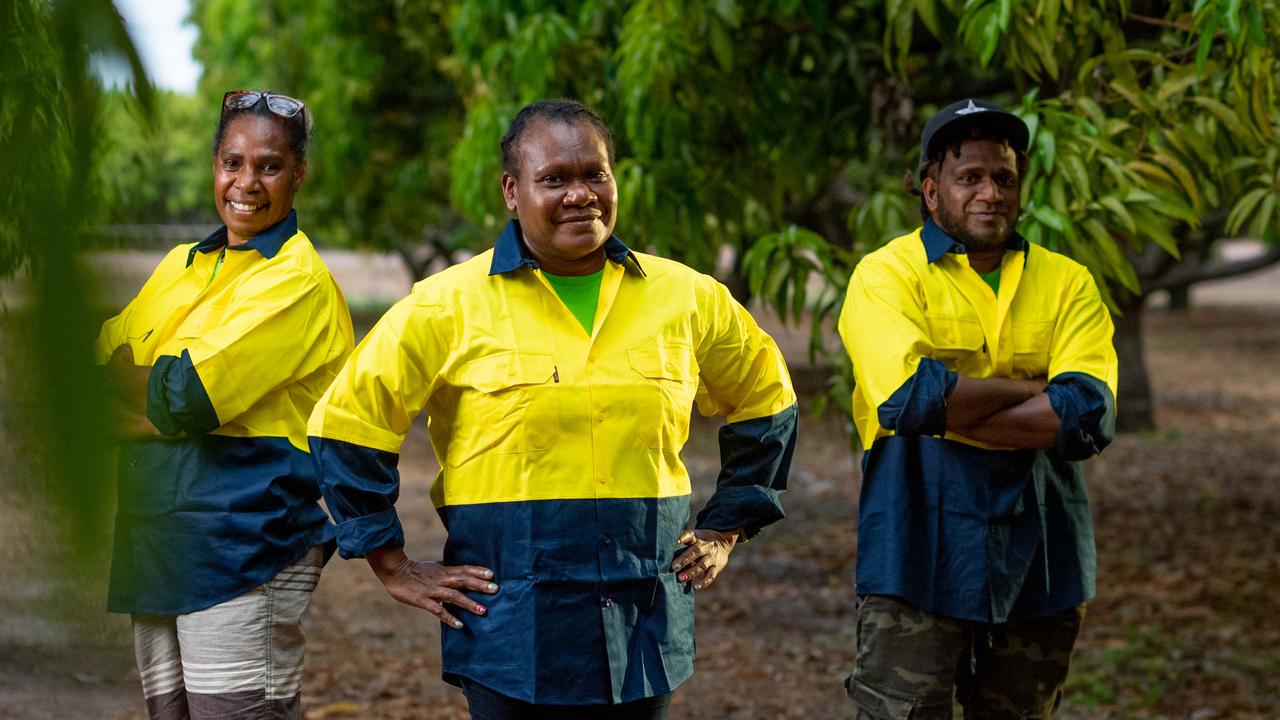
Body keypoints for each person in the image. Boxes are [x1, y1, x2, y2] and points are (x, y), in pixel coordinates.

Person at [308, 98, 797, 719]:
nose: (580, 195)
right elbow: (347, 421)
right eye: (555, 179)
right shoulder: (446, 304)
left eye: (595, 174)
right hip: (509, 631)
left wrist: (728, 525)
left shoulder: (689, 298)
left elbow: (768, 398)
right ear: (512, 191)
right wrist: (391, 562)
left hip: (643, 623)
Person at [838, 98, 1118, 718]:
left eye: (1004, 177)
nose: (990, 192)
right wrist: (1033, 388)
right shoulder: (886, 276)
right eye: (970, 177)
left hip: (1041, 544)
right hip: (916, 537)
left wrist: (956, 403)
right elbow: (906, 398)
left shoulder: (1067, 280)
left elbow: (1089, 414)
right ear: (933, 193)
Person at [96, 90, 354, 719]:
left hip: (243, 548)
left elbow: (188, 395)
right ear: (214, 165)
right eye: (232, 162)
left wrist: (151, 395)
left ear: (298, 175)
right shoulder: (185, 263)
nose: (246, 182)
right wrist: (148, 391)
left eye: (268, 165)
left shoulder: (296, 280)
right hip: (156, 541)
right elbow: (100, 359)